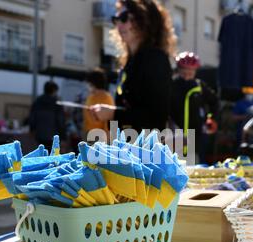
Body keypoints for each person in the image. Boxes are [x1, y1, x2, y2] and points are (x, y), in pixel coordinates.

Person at [90, 0, 176, 133]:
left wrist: (113, 114)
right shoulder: (130, 62)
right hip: (126, 146)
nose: (119, 24)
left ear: (144, 20)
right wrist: (108, 115)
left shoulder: (155, 59)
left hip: (144, 150)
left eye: (124, 18)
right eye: (116, 19)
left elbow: (156, 117)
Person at [170, 51, 218, 162]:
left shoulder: (200, 86)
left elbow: (214, 102)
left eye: (190, 72)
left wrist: (211, 118)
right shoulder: (172, 85)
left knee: (196, 163)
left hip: (197, 134)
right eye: (184, 71)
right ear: (178, 69)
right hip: (176, 133)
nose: (187, 75)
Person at [29, 81, 66, 148]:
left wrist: (32, 129)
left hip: (39, 135)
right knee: (53, 155)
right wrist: (63, 136)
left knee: (42, 153)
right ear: (54, 90)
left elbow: (32, 118)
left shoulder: (37, 101)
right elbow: (60, 121)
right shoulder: (57, 103)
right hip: (54, 136)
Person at [83, 68, 115, 138]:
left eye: (89, 83)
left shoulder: (106, 97)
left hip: (99, 138)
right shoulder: (91, 96)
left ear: (93, 83)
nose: (87, 85)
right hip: (88, 134)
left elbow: (108, 122)